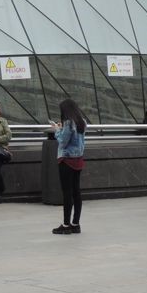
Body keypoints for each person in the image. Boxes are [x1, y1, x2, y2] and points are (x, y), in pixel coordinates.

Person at [51, 99, 86, 235]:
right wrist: (62, 128)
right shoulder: (82, 122)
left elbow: (62, 141)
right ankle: (75, 224)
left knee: (67, 193)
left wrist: (57, 130)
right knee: (76, 192)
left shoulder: (68, 123)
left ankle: (66, 225)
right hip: (78, 159)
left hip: (66, 160)